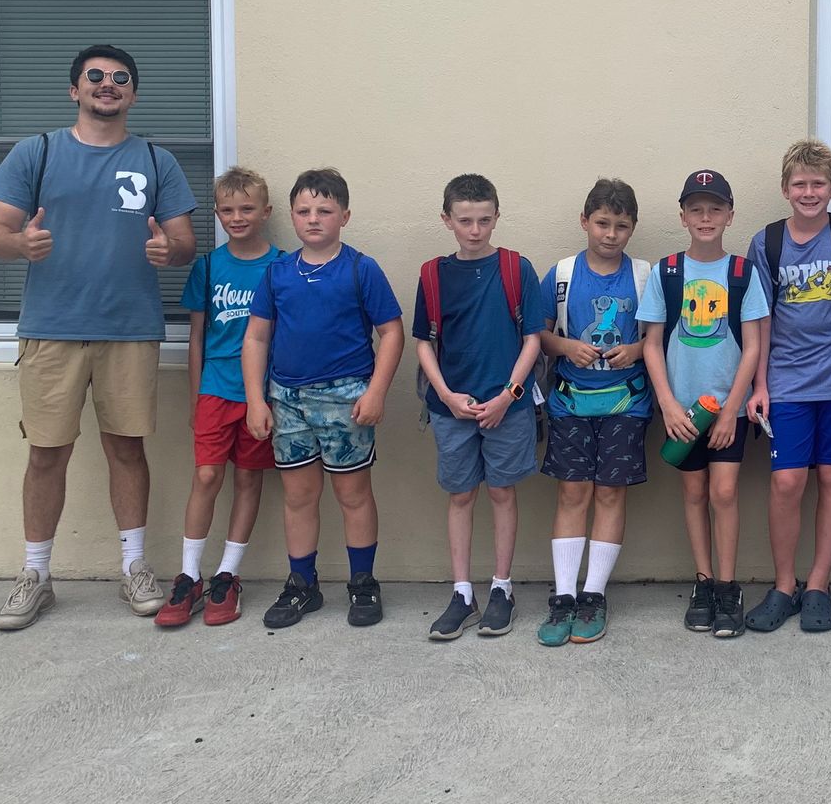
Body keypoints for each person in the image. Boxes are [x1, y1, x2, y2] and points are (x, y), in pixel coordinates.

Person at [0, 44, 198, 631]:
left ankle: (134, 566)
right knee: (47, 452)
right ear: (74, 89)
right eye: (95, 77)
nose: (108, 85)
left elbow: (183, 242)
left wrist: (168, 251)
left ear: (133, 92)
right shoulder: (39, 152)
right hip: (51, 329)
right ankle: (35, 573)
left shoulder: (156, 160)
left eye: (120, 78)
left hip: (128, 329)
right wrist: (19, 245)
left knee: (127, 448)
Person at [242, 168, 405, 631]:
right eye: (304, 211)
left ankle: (363, 582)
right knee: (298, 496)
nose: (314, 219)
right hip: (287, 400)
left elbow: (391, 332)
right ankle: (302, 584)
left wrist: (376, 391)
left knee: (352, 494)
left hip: (346, 398)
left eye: (325, 211)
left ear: (344, 216)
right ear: (292, 216)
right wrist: (257, 400)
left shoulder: (360, 268)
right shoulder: (277, 273)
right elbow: (256, 339)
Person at [412, 174, 548, 642]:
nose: (475, 230)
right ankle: (462, 592)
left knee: (503, 492)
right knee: (461, 495)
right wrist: (447, 395)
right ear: (447, 219)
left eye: (484, 220)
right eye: (465, 220)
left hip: (505, 407)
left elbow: (532, 340)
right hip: (452, 408)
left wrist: (508, 396)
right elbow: (424, 344)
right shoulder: (432, 274)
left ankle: (502, 589)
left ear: (496, 217)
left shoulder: (515, 268)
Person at [745, 140, 831, 636]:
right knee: (787, 482)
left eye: (819, 184)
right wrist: (760, 384)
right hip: (787, 383)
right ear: (785, 189)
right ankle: (783, 585)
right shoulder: (767, 243)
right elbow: (761, 319)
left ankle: (818, 584)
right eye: (800, 184)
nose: (810, 192)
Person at [640, 169, 769, 638]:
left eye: (715, 208)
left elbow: (753, 346)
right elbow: (652, 343)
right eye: (696, 209)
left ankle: (729, 585)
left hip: (727, 412)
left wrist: (734, 409)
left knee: (725, 493)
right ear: (683, 215)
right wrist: (669, 404)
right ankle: (703, 581)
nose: (706, 217)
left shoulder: (742, 273)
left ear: (730, 215)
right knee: (694, 493)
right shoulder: (667, 272)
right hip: (682, 412)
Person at [155, 167, 285, 628]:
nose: (237, 217)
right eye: (228, 210)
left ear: (266, 212)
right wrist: (195, 397)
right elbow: (196, 338)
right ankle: (189, 574)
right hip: (214, 390)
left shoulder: (282, 266)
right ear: (217, 214)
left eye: (247, 208)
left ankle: (227, 574)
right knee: (207, 476)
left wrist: (269, 399)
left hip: (262, 395)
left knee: (249, 480)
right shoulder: (208, 267)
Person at [536, 179, 651, 647]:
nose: (610, 234)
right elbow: (538, 336)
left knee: (610, 494)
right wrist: (565, 346)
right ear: (585, 221)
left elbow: (662, 338)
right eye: (602, 223)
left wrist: (638, 349)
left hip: (628, 402)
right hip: (569, 401)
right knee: (572, 494)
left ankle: (593, 595)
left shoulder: (645, 276)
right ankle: (563, 595)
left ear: (632, 228)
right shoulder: (561, 275)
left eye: (621, 226)